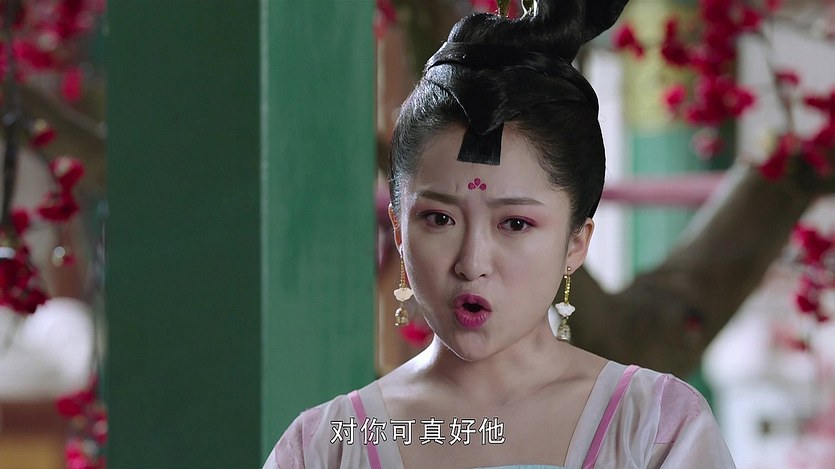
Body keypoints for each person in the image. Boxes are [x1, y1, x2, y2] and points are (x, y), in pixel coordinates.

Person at [264, 0, 736, 467]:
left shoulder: (654, 428)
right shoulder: (326, 446)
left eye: (515, 224)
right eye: (438, 219)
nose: (472, 263)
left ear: (576, 242)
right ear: (399, 231)